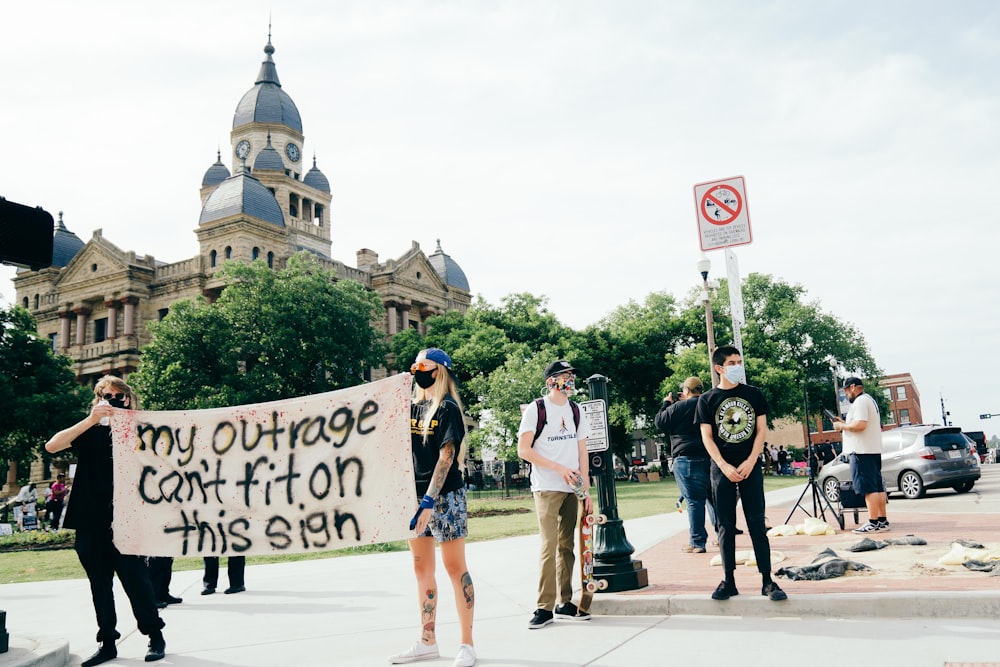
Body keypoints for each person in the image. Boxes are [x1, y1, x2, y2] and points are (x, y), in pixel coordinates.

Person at [44, 375, 166, 665]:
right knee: (99, 585)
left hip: (126, 519)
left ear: (128, 398)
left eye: (118, 397)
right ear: (98, 400)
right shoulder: (87, 430)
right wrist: (90, 419)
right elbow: (52, 446)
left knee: (137, 582)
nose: (113, 402)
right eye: (107, 397)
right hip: (89, 520)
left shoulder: (141, 430)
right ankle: (108, 642)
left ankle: (154, 636)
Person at [390, 348, 476, 667]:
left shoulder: (448, 408)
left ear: (439, 370)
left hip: (445, 496)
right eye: (414, 365)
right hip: (413, 498)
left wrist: (429, 501)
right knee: (421, 569)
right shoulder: (409, 407)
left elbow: (447, 456)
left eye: (423, 366)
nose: (417, 370)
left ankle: (466, 644)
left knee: (455, 569)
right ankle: (428, 640)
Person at [696, 346, 787, 602]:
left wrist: (751, 460)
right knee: (724, 525)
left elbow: (760, 431)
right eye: (732, 362)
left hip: (750, 466)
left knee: (757, 523)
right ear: (719, 368)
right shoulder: (707, 400)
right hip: (721, 469)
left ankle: (767, 580)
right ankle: (729, 580)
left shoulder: (753, 394)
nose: (737, 366)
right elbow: (707, 436)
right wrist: (724, 466)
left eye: (739, 361)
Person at [516, 360, 592, 628]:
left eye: (571, 375)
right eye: (565, 375)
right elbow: (524, 450)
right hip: (547, 487)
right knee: (549, 546)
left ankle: (564, 602)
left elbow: (582, 451)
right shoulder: (537, 409)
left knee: (567, 546)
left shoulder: (576, 410)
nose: (570, 380)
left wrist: (586, 491)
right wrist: (559, 469)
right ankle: (543, 607)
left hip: (572, 489)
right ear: (551, 380)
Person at [654, 376, 716, 554]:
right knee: (714, 499)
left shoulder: (677, 407)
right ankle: (722, 537)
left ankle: (698, 542)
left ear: (686, 391)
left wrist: (667, 403)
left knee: (694, 502)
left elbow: (660, 422)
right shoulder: (708, 405)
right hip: (710, 457)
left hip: (686, 458)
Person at [833, 376, 888, 533]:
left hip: (862, 451)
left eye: (845, 391)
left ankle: (873, 522)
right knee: (877, 487)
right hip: (872, 450)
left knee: (869, 488)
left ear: (852, 387)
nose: (845, 395)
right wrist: (844, 423)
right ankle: (882, 520)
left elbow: (861, 424)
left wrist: (842, 426)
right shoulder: (869, 399)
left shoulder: (861, 401)